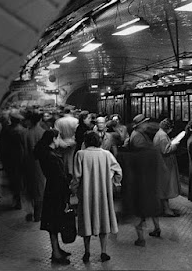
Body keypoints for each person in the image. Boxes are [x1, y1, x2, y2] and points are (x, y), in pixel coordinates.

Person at [71, 131, 122, 263]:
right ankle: (103, 252)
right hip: (103, 192)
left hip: (86, 192)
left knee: (86, 220)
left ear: (85, 141)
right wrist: (113, 180)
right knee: (103, 219)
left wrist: (74, 190)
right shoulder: (106, 154)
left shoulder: (80, 154)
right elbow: (118, 171)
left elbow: (77, 176)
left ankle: (87, 252)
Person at [123, 114, 162, 246]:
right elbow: (142, 155)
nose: (147, 125)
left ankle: (155, 229)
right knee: (142, 208)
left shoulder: (140, 134)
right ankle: (141, 238)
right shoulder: (137, 137)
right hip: (142, 179)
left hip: (144, 178)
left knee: (146, 207)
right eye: (145, 123)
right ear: (139, 125)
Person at [34, 129, 71, 265]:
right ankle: (56, 253)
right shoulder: (51, 157)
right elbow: (59, 178)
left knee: (53, 222)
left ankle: (56, 249)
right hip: (56, 193)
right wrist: (66, 195)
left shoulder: (46, 153)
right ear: (54, 139)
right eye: (58, 138)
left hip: (51, 191)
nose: (59, 140)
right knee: (55, 222)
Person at [153, 118, 182, 216]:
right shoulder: (163, 136)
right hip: (165, 165)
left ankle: (164, 208)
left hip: (161, 163)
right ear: (168, 128)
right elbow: (166, 150)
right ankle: (166, 210)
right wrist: (175, 144)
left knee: (163, 187)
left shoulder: (160, 134)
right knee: (166, 188)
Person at [23, 110, 45, 221]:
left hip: (29, 163)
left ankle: (31, 211)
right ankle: (38, 214)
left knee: (31, 187)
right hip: (40, 163)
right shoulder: (42, 132)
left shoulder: (26, 133)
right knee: (40, 188)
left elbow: (24, 150)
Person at [54, 107, 79, 177]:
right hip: (73, 143)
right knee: (72, 161)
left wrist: (62, 143)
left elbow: (57, 135)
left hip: (62, 143)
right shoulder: (76, 121)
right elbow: (77, 134)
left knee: (64, 162)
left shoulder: (58, 121)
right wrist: (72, 142)